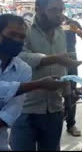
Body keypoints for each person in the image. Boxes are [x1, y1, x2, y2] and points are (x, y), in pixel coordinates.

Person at [10, 0, 82, 151]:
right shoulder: (24, 30)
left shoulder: (60, 33)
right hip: (25, 109)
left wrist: (68, 93)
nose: (59, 15)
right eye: (53, 10)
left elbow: (62, 67)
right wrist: (54, 58)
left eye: (61, 10)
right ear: (38, 9)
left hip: (54, 109)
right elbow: (19, 57)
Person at [0, 14, 66, 151]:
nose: (16, 40)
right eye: (11, 34)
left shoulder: (23, 70)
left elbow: (11, 112)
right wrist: (39, 84)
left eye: (21, 37)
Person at [62, 16, 82, 137]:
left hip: (71, 61)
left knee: (71, 94)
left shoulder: (72, 22)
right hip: (52, 61)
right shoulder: (48, 23)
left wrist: (77, 30)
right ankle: (60, 116)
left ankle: (71, 124)